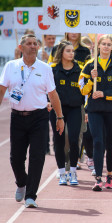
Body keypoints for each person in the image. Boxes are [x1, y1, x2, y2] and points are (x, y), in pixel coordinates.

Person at [0, 34, 64, 208]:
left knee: (37, 157)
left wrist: (60, 117)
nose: (33, 46)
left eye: (35, 43)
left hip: (39, 118)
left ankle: (31, 195)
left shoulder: (44, 68)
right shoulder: (10, 66)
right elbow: (1, 90)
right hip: (17, 118)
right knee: (15, 158)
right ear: (21, 47)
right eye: (28, 44)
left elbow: (53, 94)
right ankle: (21, 182)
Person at [79, 34, 112, 191]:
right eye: (103, 44)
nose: (106, 46)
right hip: (94, 110)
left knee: (110, 142)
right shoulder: (89, 65)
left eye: (109, 44)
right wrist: (92, 80)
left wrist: (104, 93)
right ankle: (98, 178)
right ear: (98, 46)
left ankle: (110, 175)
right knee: (98, 141)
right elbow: (82, 89)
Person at [49, 40, 84, 186]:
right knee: (59, 140)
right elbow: (47, 88)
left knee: (75, 139)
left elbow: (86, 91)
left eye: (72, 51)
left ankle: (73, 171)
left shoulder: (81, 69)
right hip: (58, 109)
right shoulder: (52, 69)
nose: (71, 53)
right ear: (61, 53)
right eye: (68, 51)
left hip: (75, 108)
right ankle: (62, 172)